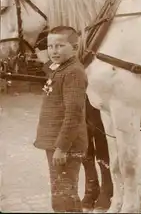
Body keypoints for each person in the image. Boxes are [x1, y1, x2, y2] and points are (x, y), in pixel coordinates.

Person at [33, 26, 88, 213]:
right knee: (62, 193)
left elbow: (73, 114)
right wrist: (44, 58)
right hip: (57, 143)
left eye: (59, 46)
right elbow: (51, 68)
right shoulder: (61, 68)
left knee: (63, 196)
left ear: (74, 47)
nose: (53, 51)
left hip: (65, 145)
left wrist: (62, 147)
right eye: (50, 46)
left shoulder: (73, 73)